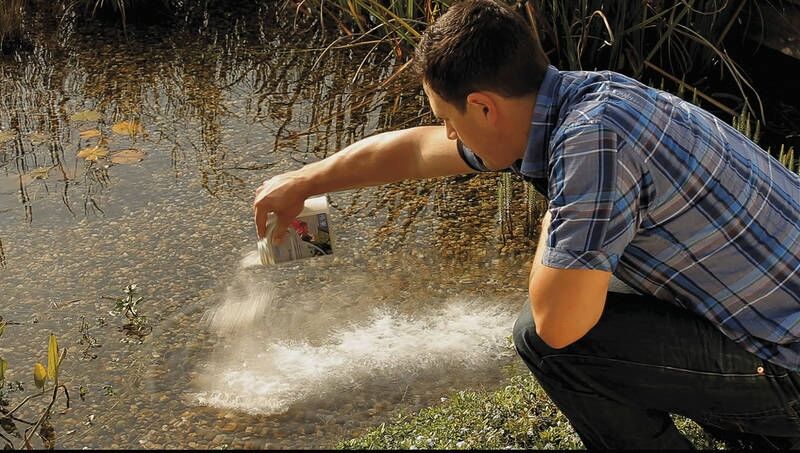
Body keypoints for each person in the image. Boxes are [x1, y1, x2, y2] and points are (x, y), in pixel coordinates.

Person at [253, 0, 800, 448]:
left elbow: (558, 322)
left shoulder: (590, 146)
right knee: (600, 283)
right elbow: (417, 152)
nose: (448, 137)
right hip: (779, 319)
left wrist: (559, 212)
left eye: (449, 121)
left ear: (484, 108)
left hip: (789, 369)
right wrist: (306, 180)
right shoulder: (580, 98)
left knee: (546, 339)